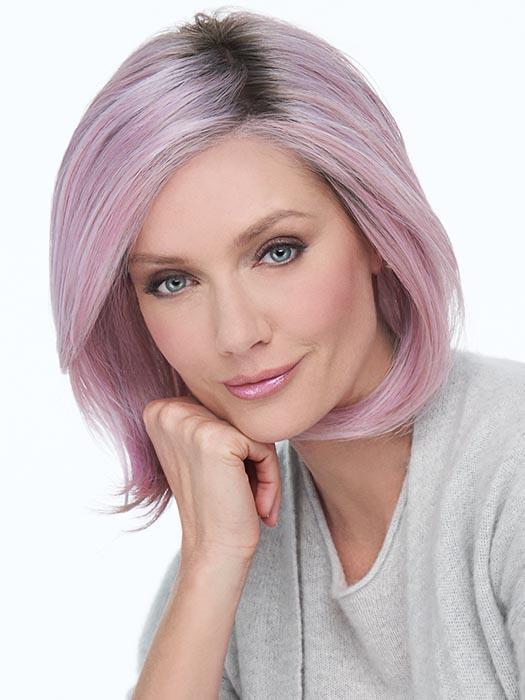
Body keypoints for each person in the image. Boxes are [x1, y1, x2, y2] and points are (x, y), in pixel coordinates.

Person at [48, 8, 525, 699]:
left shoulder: (509, 473)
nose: (235, 333)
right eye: (173, 281)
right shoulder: (229, 555)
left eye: (277, 251)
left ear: (375, 230)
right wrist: (211, 561)